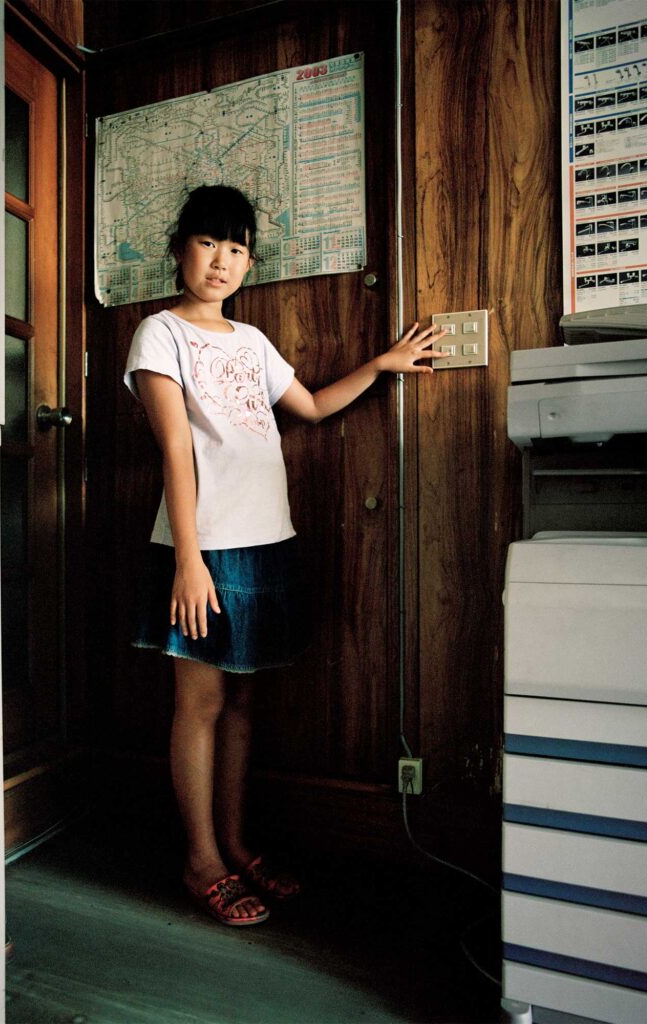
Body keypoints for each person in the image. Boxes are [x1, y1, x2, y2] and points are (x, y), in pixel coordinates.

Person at [123, 184, 446, 927]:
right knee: (201, 703)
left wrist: (383, 364)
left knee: (242, 701)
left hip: (266, 542)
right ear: (180, 250)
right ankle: (201, 859)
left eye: (236, 248)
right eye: (208, 242)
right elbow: (176, 450)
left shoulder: (252, 341)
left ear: (249, 263)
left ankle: (235, 844)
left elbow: (313, 407)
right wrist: (189, 560)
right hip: (202, 549)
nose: (221, 260)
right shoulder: (158, 334)